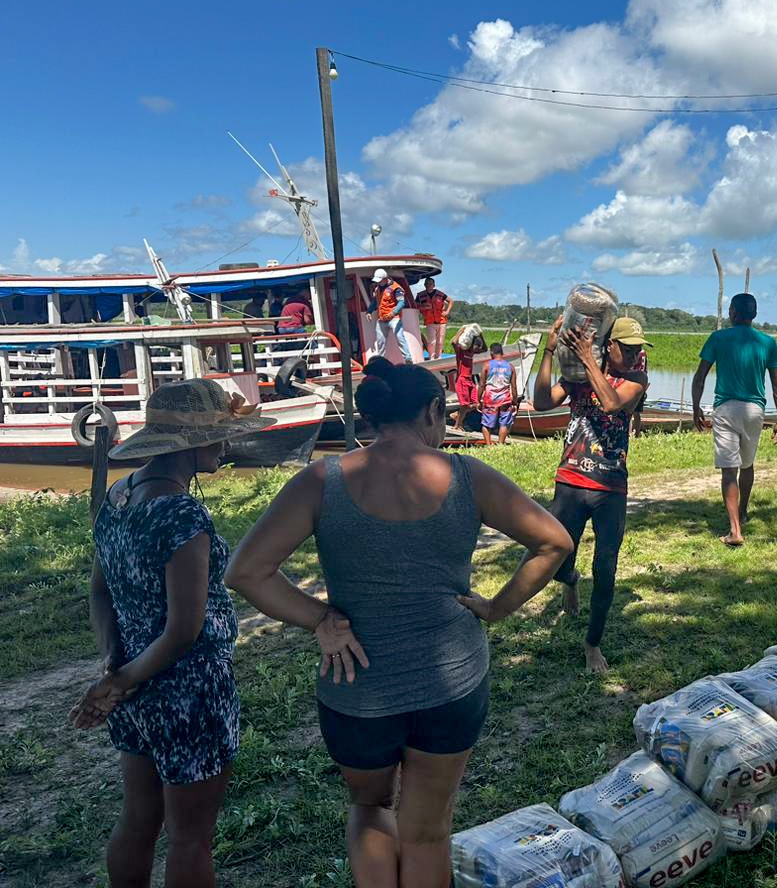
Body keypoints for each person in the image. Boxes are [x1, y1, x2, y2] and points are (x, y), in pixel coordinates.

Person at [226, 357, 572, 888]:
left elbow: (247, 572)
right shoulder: (469, 476)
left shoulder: (321, 481)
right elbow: (554, 542)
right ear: (432, 410)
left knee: (370, 808)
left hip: (357, 688)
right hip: (451, 684)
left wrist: (321, 619)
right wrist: (497, 608)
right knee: (427, 831)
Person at [68, 379, 292, 888]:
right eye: (218, 436)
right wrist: (120, 679)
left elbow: (99, 591)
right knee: (191, 838)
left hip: (136, 684)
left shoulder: (117, 497)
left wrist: (115, 663)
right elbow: (184, 630)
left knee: (138, 819)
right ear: (190, 445)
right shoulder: (180, 514)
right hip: (189, 689)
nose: (225, 446)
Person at [533, 315, 650, 673]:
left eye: (637, 350)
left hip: (610, 487)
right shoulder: (579, 375)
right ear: (608, 345)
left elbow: (612, 403)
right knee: (556, 555)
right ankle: (569, 580)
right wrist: (549, 351)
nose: (634, 356)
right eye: (626, 349)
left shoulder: (636, 379)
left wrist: (587, 359)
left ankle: (592, 644)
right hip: (571, 480)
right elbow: (541, 402)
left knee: (605, 566)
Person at [691, 293, 777, 547]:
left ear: (732, 312)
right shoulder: (768, 342)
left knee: (729, 470)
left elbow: (700, 376)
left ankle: (735, 530)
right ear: (754, 314)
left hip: (726, 409)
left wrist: (696, 407)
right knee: (747, 465)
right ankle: (742, 511)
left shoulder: (718, 338)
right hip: (755, 410)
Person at [369, 268, 412, 362]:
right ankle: (380, 362)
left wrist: (392, 313)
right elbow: (375, 302)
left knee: (400, 338)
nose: (378, 283)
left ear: (385, 278)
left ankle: (408, 359)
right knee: (380, 342)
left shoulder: (396, 288)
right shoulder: (377, 289)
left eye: (380, 281)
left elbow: (401, 302)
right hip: (382, 318)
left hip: (394, 318)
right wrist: (369, 311)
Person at [479, 341, 518, 445]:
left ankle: (488, 445)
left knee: (486, 424)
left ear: (491, 352)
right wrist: (514, 401)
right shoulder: (510, 367)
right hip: (505, 399)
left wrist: (478, 399)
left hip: (490, 399)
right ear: (502, 352)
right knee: (504, 424)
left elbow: (482, 385)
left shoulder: (487, 365)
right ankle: (500, 444)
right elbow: (514, 386)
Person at [450, 325, 487, 430]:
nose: (477, 348)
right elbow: (453, 342)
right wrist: (461, 330)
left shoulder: (471, 353)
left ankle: (458, 415)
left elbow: (485, 349)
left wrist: (480, 334)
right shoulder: (461, 352)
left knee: (476, 404)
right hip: (462, 380)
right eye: (475, 345)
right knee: (465, 405)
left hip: (470, 380)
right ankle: (457, 425)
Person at [414, 277, 452, 360]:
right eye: (427, 284)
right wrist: (423, 306)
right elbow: (414, 306)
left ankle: (439, 357)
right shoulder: (420, 295)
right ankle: (431, 357)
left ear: (434, 285)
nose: (429, 285)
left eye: (430, 284)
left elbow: (451, 301)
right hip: (429, 321)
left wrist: (447, 311)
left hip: (441, 321)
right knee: (432, 342)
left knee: (440, 341)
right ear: (424, 285)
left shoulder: (440, 294)